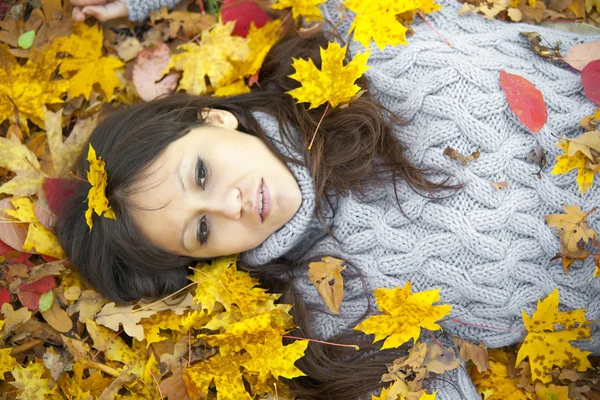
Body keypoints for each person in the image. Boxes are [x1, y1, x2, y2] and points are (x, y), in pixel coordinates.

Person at [60, 0, 600, 398]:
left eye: (201, 174)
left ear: (212, 117)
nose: (230, 206)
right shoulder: (332, 307)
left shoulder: (348, 48)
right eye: (201, 230)